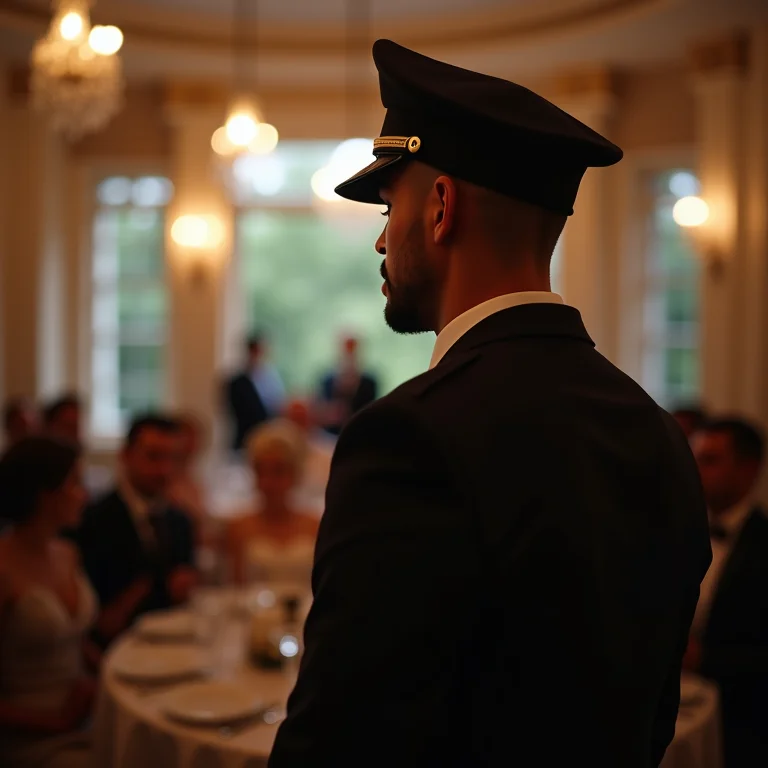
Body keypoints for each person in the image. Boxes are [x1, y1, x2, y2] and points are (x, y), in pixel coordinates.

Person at [269, 40, 711, 768]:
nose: (380, 240)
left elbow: (340, 741)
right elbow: (650, 713)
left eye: (390, 206)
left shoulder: (407, 438)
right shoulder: (656, 432)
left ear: (441, 207)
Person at [0, 437, 98, 767]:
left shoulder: (67, 552)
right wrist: (58, 722)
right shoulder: (3, 568)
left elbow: (73, 637)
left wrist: (110, 674)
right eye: (76, 483)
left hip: (85, 715)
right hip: (31, 736)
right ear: (45, 493)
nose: (85, 494)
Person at [74, 415, 197, 648]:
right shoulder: (93, 521)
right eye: (153, 457)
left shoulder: (180, 521)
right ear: (125, 455)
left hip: (176, 648)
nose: (164, 470)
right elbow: (93, 622)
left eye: (172, 458)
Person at [688, 418, 768, 767]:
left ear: (749, 469)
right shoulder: (682, 529)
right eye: (694, 458)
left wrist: (704, 659)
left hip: (742, 726)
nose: (695, 469)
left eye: (709, 460)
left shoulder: (763, 546)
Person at [225, 420, 319, 588]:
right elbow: (234, 589)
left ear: (295, 473)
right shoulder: (238, 527)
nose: (268, 482)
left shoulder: (315, 525)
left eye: (278, 471)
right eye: (261, 471)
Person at [225, 333, 286, 453]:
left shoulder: (271, 378)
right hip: (245, 439)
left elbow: (278, 405)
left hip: (267, 436)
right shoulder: (237, 382)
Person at [316, 335, 378, 436]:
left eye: (352, 352)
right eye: (347, 352)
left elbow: (372, 415)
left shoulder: (369, 383)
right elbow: (320, 414)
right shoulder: (327, 382)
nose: (349, 357)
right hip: (330, 436)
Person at [283, 398, 335, 511]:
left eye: (301, 419)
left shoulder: (329, 450)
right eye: (293, 419)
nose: (297, 426)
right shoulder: (278, 451)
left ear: (313, 419)